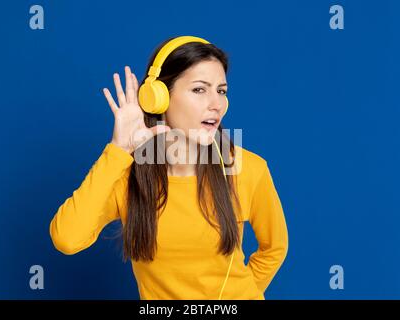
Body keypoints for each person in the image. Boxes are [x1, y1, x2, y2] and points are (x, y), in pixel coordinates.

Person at [49, 35, 289, 300]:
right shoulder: (126, 176)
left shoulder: (247, 169)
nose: (217, 104)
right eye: (200, 89)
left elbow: (274, 248)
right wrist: (118, 150)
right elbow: (67, 238)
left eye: (221, 91)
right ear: (159, 99)